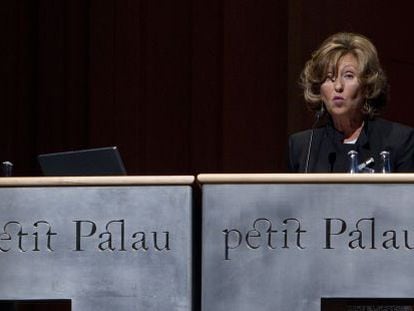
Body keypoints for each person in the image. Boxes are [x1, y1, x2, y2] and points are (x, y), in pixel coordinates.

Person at [288, 32, 414, 173]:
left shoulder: (399, 140)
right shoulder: (303, 147)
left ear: (367, 86)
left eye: (348, 76)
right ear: (319, 90)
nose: (338, 86)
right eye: (329, 78)